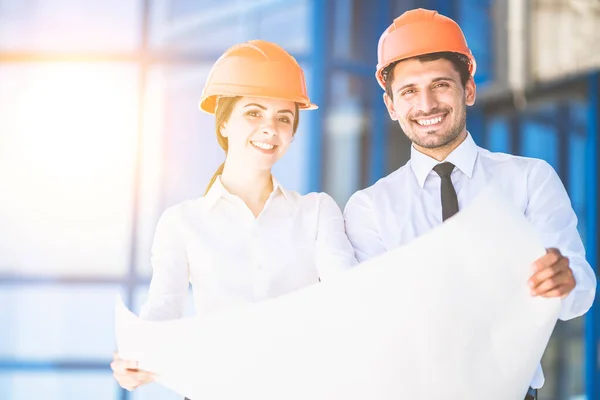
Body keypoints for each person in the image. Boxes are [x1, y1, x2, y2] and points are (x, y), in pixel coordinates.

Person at [343, 8, 596, 400]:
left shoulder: (529, 179)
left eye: (441, 84)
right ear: (392, 106)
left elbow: (577, 294)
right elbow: (375, 322)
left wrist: (564, 282)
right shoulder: (369, 209)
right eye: (409, 91)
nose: (426, 104)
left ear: (469, 90)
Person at [111, 39, 357, 392]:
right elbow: (163, 310)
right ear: (223, 123)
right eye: (254, 112)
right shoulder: (182, 223)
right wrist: (137, 358)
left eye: (283, 118)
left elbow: (349, 297)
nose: (270, 128)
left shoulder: (317, 212)